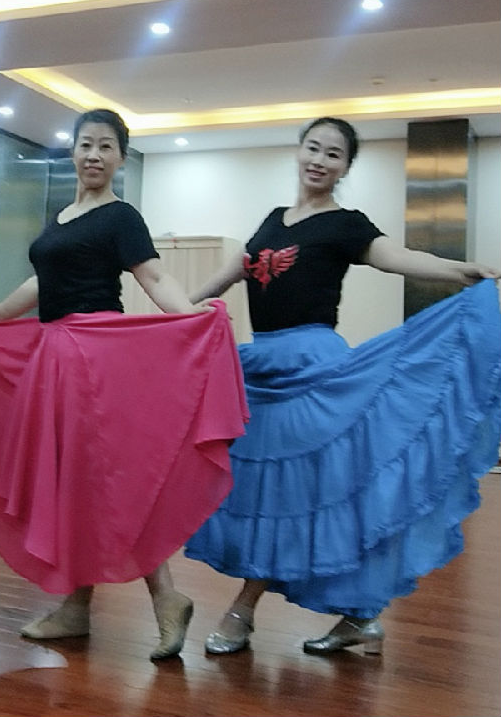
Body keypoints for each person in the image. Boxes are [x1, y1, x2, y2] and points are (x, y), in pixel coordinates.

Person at [0, 108, 249, 660]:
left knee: (102, 480)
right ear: (72, 151)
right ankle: (81, 604)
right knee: (77, 482)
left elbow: (154, 275)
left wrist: (192, 316)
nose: (94, 155)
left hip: (95, 359)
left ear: (120, 158)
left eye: (106, 146)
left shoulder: (121, 216)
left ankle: (162, 598)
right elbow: (41, 281)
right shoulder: (63, 215)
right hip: (57, 357)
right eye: (86, 144)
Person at [184, 116, 501, 655]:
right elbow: (237, 270)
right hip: (260, 369)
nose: (319, 160)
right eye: (313, 148)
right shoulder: (273, 219)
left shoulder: (346, 224)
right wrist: (180, 309)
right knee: (274, 492)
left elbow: (397, 258)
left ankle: (243, 611)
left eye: (333, 154)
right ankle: (360, 616)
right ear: (299, 152)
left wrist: (459, 270)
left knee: (296, 494)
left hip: (311, 370)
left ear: (346, 167)